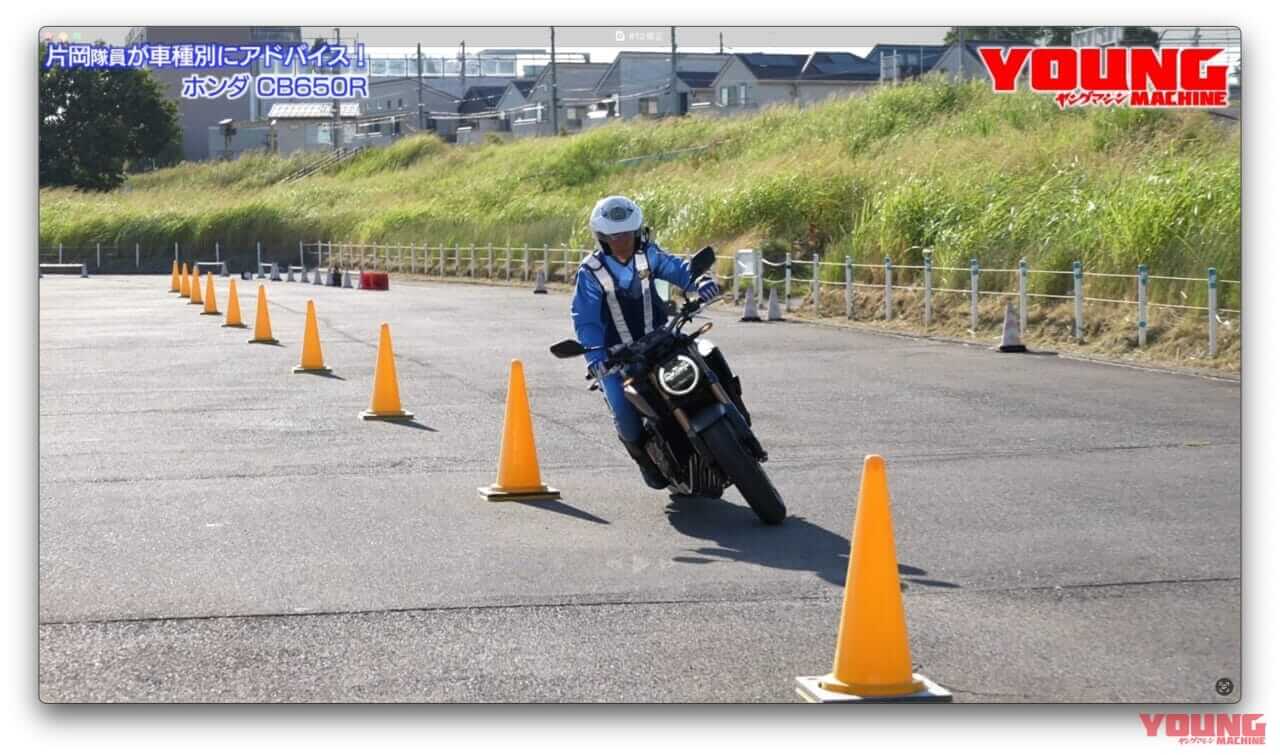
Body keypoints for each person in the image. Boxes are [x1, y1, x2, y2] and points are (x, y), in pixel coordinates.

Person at [570, 195, 721, 489]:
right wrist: (595, 358)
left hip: (662, 338)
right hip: (618, 357)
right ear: (602, 238)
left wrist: (700, 283)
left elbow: (677, 269)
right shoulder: (590, 272)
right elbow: (585, 318)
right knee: (624, 413)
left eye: (627, 234)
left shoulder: (648, 255)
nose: (622, 241)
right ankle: (647, 462)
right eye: (615, 237)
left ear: (638, 232)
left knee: (708, 358)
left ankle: (732, 411)